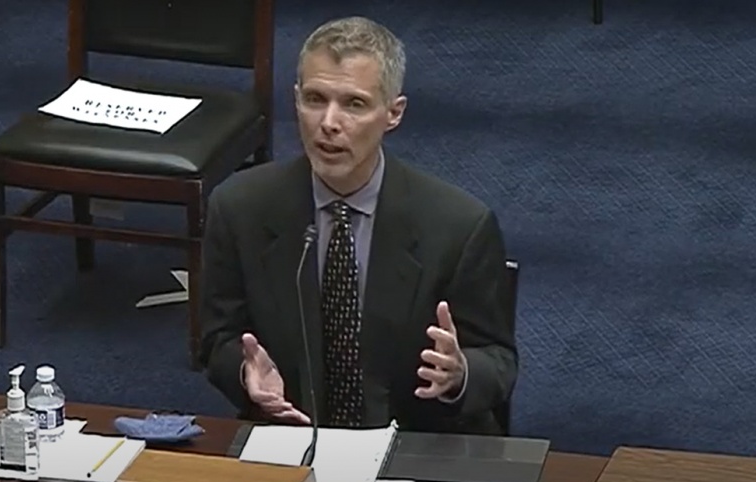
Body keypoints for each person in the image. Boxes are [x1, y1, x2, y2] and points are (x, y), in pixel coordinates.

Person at [200, 16, 518, 435]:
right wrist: (246, 375)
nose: (329, 123)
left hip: (416, 444)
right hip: (293, 439)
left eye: (354, 104)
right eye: (315, 99)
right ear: (295, 100)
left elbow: (498, 359)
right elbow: (216, 339)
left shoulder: (459, 226)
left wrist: (459, 374)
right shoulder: (239, 207)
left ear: (393, 113)